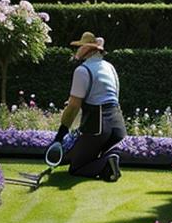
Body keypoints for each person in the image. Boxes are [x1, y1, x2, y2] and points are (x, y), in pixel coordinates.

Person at [52, 31, 127, 182]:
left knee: (76, 167)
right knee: (77, 153)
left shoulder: (82, 70)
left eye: (80, 47)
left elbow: (73, 107)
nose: (77, 51)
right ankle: (108, 165)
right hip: (118, 125)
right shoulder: (110, 67)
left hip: (97, 126)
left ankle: (107, 162)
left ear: (87, 49)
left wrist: (60, 135)